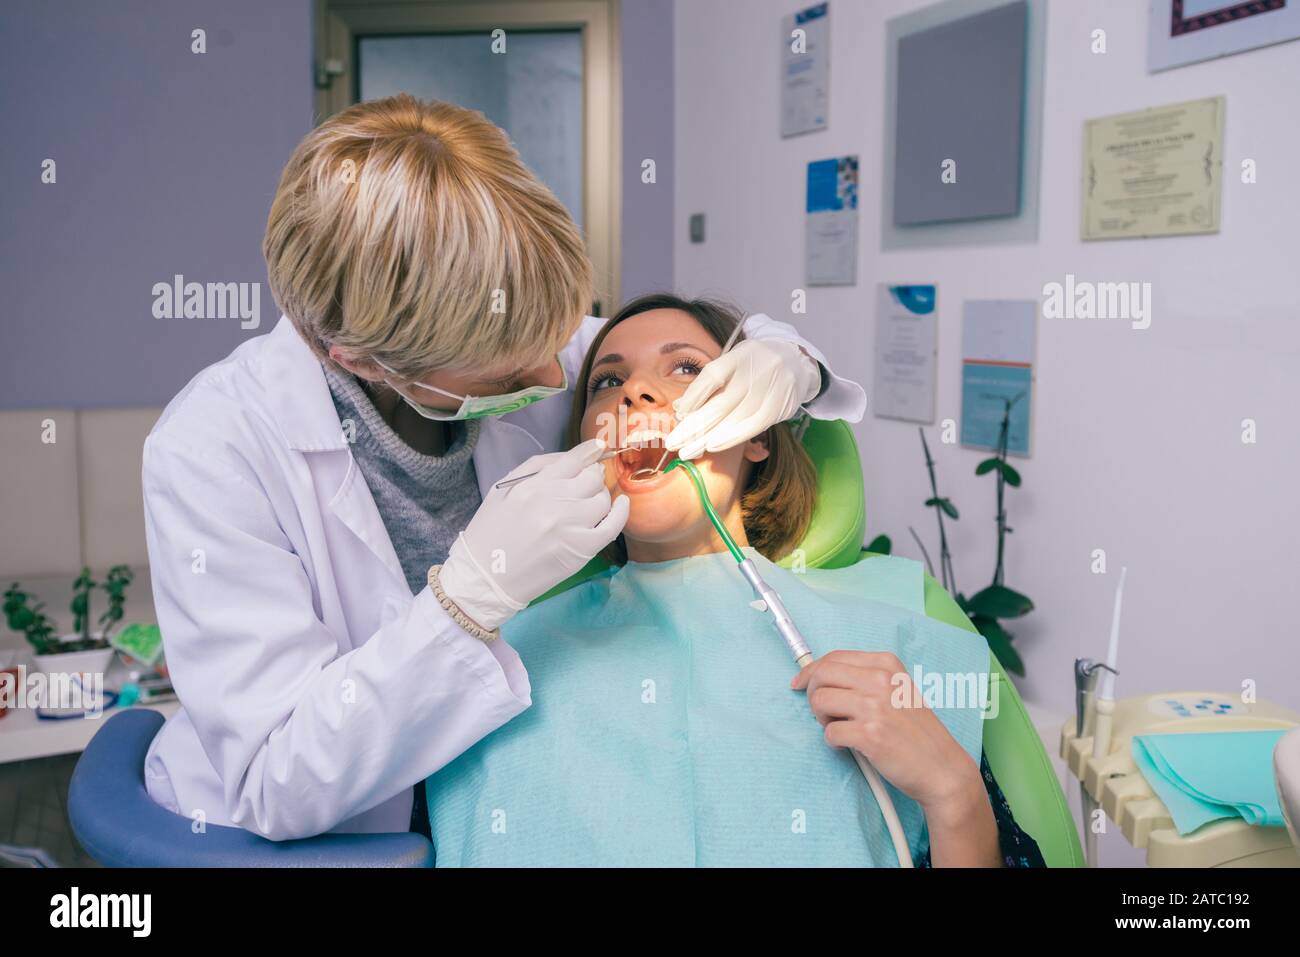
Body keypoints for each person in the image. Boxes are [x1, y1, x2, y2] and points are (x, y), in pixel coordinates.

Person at [140, 95, 867, 840]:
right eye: (509, 374)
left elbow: (681, 341)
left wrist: (787, 362)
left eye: (565, 340)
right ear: (361, 359)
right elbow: (278, 781)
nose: (560, 377)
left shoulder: (519, 332)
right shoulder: (214, 450)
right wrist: (468, 599)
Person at [423, 295, 1048, 867]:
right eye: (608, 381)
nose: (635, 392)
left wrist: (955, 794)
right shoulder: (502, 668)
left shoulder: (892, 646)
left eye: (686, 369)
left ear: (756, 435)